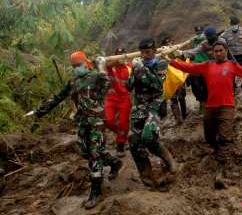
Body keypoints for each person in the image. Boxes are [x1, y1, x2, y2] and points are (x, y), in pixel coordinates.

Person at [164, 40, 242, 188]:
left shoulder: (232, 65)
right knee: (209, 137)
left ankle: (220, 169)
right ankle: (221, 150)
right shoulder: (207, 65)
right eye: (215, 51)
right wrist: (170, 61)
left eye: (220, 51)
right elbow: (189, 67)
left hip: (227, 107)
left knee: (224, 137)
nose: (217, 53)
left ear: (226, 51)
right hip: (210, 106)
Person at [23, 51, 122, 209]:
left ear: (86, 63)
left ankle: (95, 190)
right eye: (74, 66)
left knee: (95, 153)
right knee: (85, 152)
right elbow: (57, 98)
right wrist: (38, 111)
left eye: (79, 65)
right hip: (82, 121)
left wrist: (102, 67)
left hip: (97, 119)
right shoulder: (72, 83)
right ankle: (114, 162)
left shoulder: (96, 77)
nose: (77, 68)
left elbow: (106, 86)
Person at [126, 38, 177, 188]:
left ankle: (168, 158)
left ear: (154, 51)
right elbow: (129, 87)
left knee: (148, 137)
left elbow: (156, 83)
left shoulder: (161, 63)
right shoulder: (137, 65)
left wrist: (142, 69)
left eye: (148, 52)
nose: (145, 55)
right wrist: (134, 71)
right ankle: (149, 181)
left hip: (154, 105)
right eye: (142, 52)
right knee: (134, 142)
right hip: (138, 108)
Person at [104, 48, 132, 158]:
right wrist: (116, 60)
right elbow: (107, 65)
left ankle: (120, 145)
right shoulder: (111, 65)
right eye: (118, 55)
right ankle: (122, 134)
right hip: (111, 98)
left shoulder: (130, 66)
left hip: (124, 99)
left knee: (123, 122)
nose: (120, 57)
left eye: (122, 55)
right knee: (107, 121)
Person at [161, 36, 187, 126]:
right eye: (166, 44)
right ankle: (177, 119)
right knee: (173, 99)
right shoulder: (162, 55)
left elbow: (184, 60)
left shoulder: (176, 51)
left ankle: (184, 115)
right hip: (170, 81)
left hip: (179, 79)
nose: (168, 45)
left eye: (169, 43)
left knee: (181, 97)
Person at [189, 25, 208, 114]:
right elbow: (190, 53)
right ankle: (201, 101)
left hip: (206, 66)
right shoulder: (193, 41)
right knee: (195, 86)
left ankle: (205, 104)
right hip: (196, 66)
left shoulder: (207, 40)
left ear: (203, 33)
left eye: (200, 33)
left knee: (205, 86)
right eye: (197, 33)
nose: (199, 35)